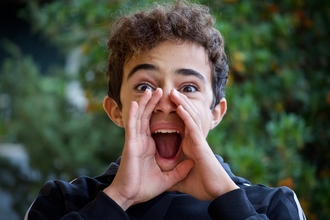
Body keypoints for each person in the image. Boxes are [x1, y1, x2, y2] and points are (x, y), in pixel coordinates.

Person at [25, 0, 306, 219]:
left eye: (188, 88)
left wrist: (225, 196)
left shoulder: (273, 206)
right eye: (145, 86)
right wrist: (119, 197)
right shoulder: (62, 202)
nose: (165, 101)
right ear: (116, 110)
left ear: (216, 112)